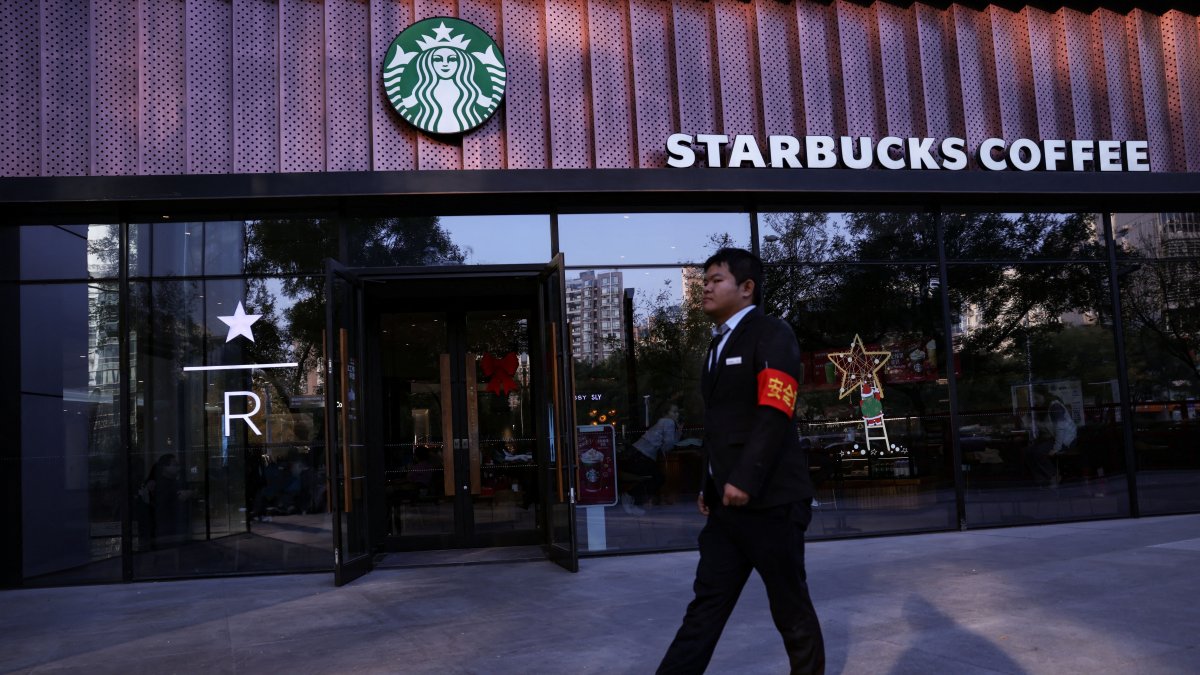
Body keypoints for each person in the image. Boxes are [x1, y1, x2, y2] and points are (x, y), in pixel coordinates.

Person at [658, 248, 824, 675]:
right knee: (705, 607)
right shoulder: (716, 346)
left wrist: (745, 478)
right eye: (705, 280)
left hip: (772, 503)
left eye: (716, 280)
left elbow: (775, 410)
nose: (706, 287)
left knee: (790, 608)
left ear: (747, 288)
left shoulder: (771, 333)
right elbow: (720, 427)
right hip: (726, 509)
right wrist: (708, 485)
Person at [622, 402, 682, 514]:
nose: (676, 414)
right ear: (666, 413)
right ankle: (630, 497)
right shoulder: (668, 422)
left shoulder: (661, 422)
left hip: (637, 454)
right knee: (658, 478)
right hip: (642, 456)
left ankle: (632, 499)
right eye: (674, 412)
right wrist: (678, 433)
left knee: (655, 477)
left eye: (677, 412)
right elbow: (668, 446)